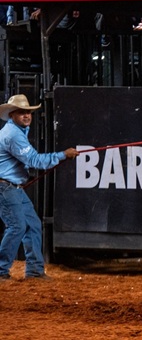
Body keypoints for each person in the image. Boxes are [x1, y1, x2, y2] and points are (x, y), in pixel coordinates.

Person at [0, 95, 79, 281]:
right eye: (22, 112)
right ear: (12, 115)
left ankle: (34, 270)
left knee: (32, 225)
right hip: (6, 187)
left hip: (13, 187)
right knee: (17, 226)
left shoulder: (16, 131)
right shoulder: (13, 135)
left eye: (29, 112)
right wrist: (63, 155)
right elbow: (34, 160)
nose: (27, 116)